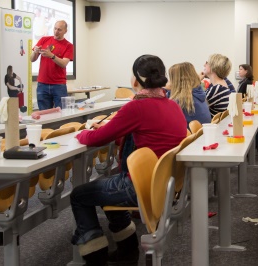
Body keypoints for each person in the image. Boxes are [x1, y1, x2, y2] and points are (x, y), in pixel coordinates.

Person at [70, 54, 187, 265]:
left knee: (79, 195)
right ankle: (127, 251)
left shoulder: (136, 107)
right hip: (165, 185)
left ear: (136, 80)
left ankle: (96, 257)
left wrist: (82, 133)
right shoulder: (172, 105)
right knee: (108, 188)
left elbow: (97, 138)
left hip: (142, 188)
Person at [31, 20, 74, 110]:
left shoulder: (68, 45)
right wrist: (35, 52)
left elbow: (64, 64)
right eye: (55, 28)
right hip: (42, 84)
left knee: (63, 113)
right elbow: (32, 59)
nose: (56, 31)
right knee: (44, 114)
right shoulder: (44, 40)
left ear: (65, 31)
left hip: (59, 85)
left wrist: (51, 56)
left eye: (59, 30)